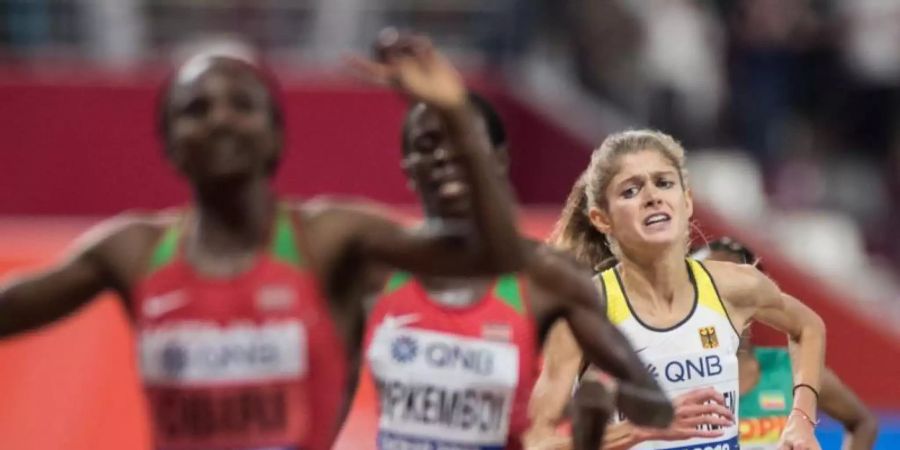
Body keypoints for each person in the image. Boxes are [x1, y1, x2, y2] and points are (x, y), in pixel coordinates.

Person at [0, 32, 526, 450]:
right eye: (195, 109)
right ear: (168, 145)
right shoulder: (132, 252)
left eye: (241, 105)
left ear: (276, 136)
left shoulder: (329, 239)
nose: (220, 118)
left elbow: (494, 254)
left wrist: (455, 113)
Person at [334, 94, 674, 450]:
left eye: (462, 141)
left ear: (498, 160)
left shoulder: (545, 277)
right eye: (427, 144)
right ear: (407, 168)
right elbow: (333, 390)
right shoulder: (377, 269)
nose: (445, 156)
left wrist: (601, 400)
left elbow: (655, 405)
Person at [527, 129, 827, 450]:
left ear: (686, 201)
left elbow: (809, 327)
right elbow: (536, 442)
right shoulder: (587, 308)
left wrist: (801, 418)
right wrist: (638, 431)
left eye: (664, 182)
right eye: (630, 190)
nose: (652, 196)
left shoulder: (733, 286)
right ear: (602, 219)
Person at [693, 238, 878, 450]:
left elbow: (863, 423)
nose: (718, 301)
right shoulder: (671, 374)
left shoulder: (792, 370)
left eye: (729, 291)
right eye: (703, 289)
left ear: (756, 298)